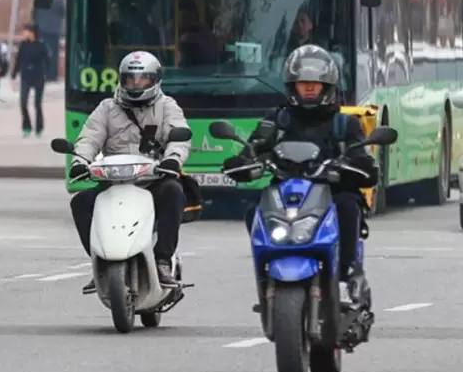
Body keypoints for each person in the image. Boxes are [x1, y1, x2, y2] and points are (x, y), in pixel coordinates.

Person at [223, 45, 376, 304]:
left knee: (349, 206)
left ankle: (349, 269)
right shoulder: (277, 120)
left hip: (331, 191)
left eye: (314, 84)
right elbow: (255, 148)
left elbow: (361, 156)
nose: (308, 88)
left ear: (326, 87)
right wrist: (243, 162)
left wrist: (357, 166)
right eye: (303, 83)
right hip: (286, 191)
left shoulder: (343, 123)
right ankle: (267, 269)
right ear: (292, 86)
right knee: (254, 211)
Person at [69, 51, 191, 290]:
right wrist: (79, 162)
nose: (136, 84)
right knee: (81, 202)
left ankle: (162, 260)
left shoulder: (167, 106)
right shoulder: (106, 108)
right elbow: (89, 138)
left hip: (152, 180)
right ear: (121, 80)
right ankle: (100, 263)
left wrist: (173, 159)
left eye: (142, 78)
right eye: (130, 79)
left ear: (155, 80)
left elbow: (179, 136)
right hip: (114, 182)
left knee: (174, 192)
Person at [12, 24, 49, 137]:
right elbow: (18, 60)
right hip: (25, 77)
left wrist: (46, 74)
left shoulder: (41, 45)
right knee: (23, 102)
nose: (23, 33)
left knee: (37, 104)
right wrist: (13, 75)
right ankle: (27, 126)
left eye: (25, 31)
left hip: (38, 77)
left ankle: (39, 128)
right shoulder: (23, 45)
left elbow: (47, 61)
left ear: (32, 32)